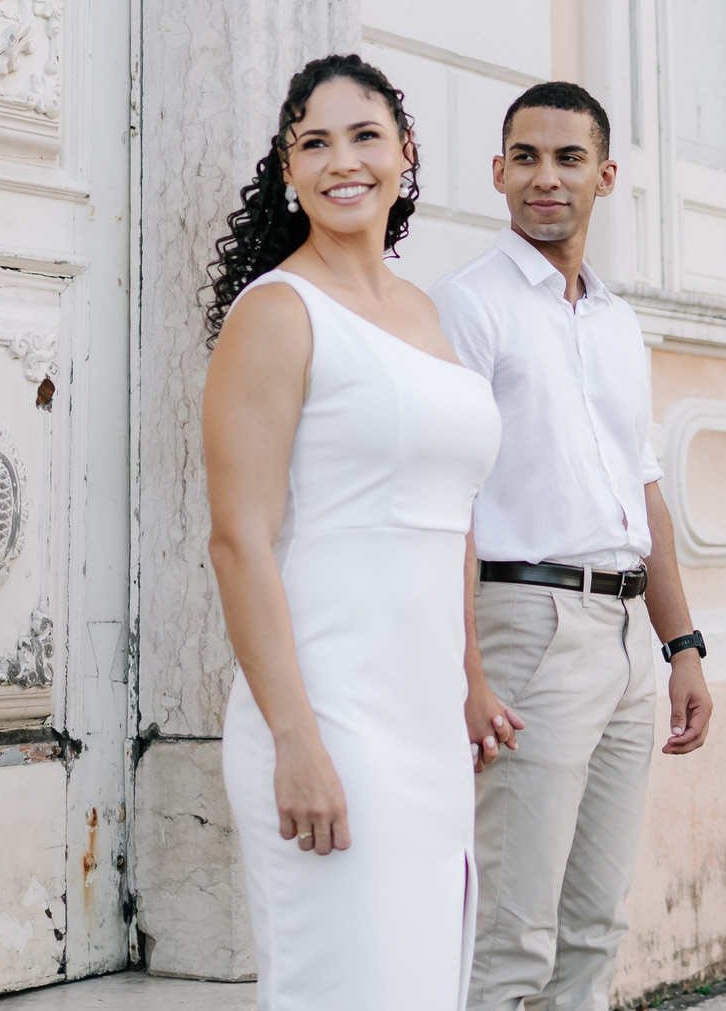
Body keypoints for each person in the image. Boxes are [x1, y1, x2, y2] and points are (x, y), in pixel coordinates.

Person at [203, 54, 503, 1009]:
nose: (344, 160)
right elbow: (238, 540)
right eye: (314, 142)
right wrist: (296, 737)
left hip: (426, 725)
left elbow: (453, 520)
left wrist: (469, 683)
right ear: (288, 172)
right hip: (328, 714)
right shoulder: (277, 314)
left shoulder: (424, 313)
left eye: (365, 135)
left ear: (405, 153)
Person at [434, 81, 715, 1011]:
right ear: (498, 172)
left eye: (566, 158)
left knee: (595, 924)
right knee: (513, 933)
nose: (544, 177)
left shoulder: (616, 321)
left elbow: (643, 492)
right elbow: (452, 501)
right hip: (528, 623)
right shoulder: (469, 308)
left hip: (627, 635)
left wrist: (681, 647)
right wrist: (469, 671)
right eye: (525, 157)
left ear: (606, 174)